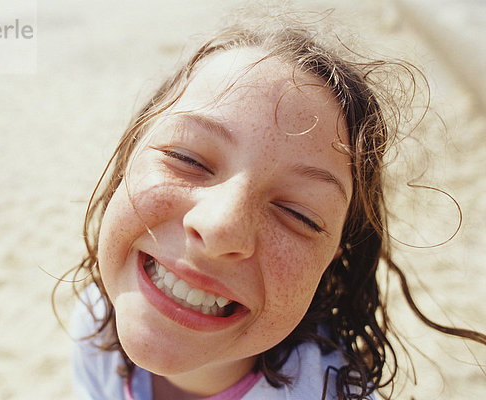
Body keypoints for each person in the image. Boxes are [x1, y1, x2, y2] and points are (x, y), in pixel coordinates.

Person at [59, 18, 486, 400]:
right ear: (126, 158)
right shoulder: (96, 315)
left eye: (298, 214)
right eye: (188, 159)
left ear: (331, 263)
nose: (221, 226)